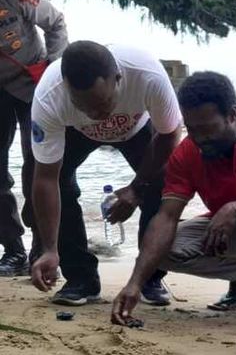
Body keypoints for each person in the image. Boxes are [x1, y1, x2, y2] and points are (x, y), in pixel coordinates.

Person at [111, 71, 236, 323]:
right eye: (191, 129)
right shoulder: (186, 153)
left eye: (208, 129)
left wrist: (234, 208)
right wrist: (135, 283)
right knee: (161, 250)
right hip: (228, 231)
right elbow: (166, 217)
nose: (200, 139)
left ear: (233, 114)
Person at [30, 41, 182, 306]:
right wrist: (49, 248)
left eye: (102, 103)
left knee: (164, 182)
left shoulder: (147, 75)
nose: (95, 114)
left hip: (136, 129)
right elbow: (45, 178)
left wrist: (136, 188)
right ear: (66, 88)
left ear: (118, 79)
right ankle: (80, 279)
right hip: (76, 133)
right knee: (62, 185)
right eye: (83, 105)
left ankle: (150, 276)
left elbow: (169, 136)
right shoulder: (49, 96)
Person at [0, 0, 67, 276]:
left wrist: (55, 70)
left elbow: (56, 23)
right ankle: (12, 249)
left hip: (33, 83)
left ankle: (42, 247)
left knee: (39, 165)